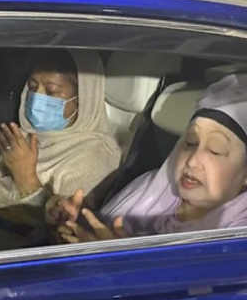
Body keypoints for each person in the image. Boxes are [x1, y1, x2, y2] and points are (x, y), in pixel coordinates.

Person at [50, 73, 247, 243]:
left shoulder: (238, 236)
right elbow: (93, 236)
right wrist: (73, 224)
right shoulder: (150, 186)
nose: (192, 161)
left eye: (215, 150)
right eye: (190, 142)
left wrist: (123, 261)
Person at [0, 49, 121, 208]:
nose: (37, 97)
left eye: (51, 91)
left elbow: (62, 220)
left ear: (83, 99)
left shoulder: (97, 159)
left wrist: (26, 178)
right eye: (32, 87)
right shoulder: (29, 134)